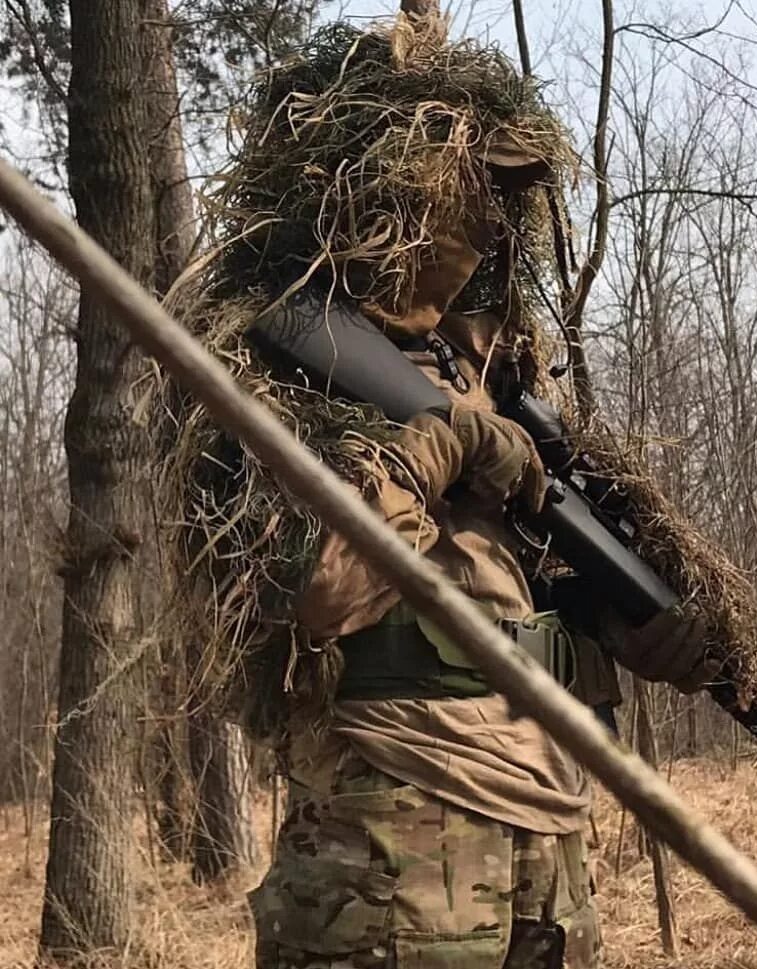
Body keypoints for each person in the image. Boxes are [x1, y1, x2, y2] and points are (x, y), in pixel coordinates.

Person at [246, 196, 714, 969]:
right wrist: (445, 446)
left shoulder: (493, 379)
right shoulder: (293, 377)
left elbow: (509, 600)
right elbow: (324, 591)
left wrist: (615, 626)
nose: (473, 230)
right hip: (394, 816)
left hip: (545, 818)